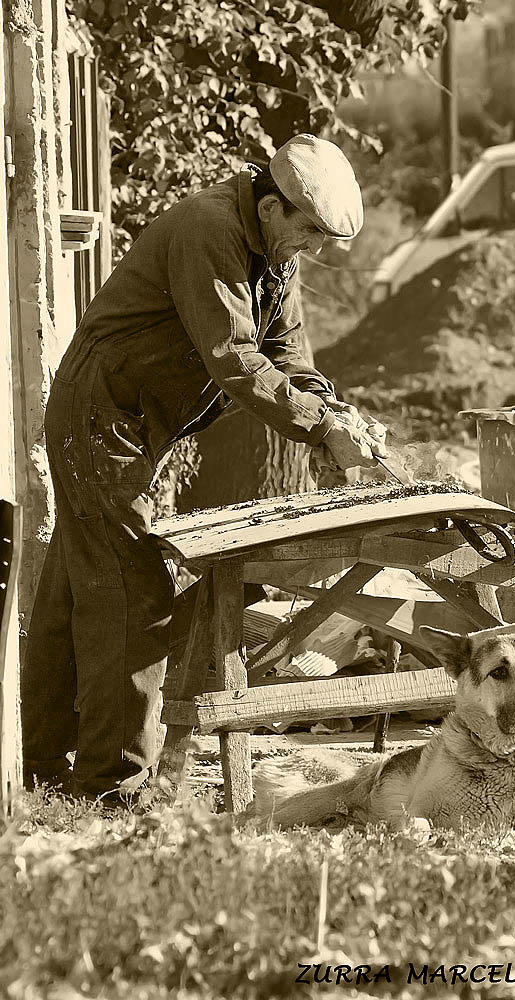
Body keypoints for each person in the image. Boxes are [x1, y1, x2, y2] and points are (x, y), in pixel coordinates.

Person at [22, 134, 386, 802]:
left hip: (134, 421)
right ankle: (113, 790)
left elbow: (287, 351)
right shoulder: (209, 229)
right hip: (100, 415)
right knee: (136, 596)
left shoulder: (274, 247)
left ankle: (41, 767)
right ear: (272, 206)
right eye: (310, 232)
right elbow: (237, 360)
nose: (316, 249)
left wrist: (334, 414)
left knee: (79, 587)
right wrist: (323, 430)